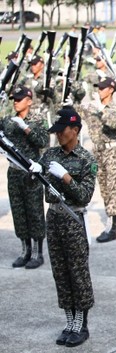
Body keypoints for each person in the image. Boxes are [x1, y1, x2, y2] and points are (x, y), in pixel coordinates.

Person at [29, 107, 97, 346]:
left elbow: (85, 195)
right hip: (54, 218)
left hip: (74, 219)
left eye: (62, 131)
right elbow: (36, 174)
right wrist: (34, 170)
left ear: (75, 130)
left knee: (77, 273)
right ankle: (69, 321)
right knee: (60, 271)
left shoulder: (86, 159)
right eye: (56, 131)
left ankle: (81, 324)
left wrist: (66, 177)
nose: (58, 135)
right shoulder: (49, 155)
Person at [3, 85, 49, 268]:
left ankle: (38, 253)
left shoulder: (37, 119)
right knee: (19, 212)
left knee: (34, 212)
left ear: (29, 101)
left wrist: (26, 128)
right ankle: (25, 250)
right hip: (14, 171)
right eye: (14, 99)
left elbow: (44, 141)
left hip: (31, 173)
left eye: (19, 99)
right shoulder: (8, 120)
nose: (15, 102)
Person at [76, 77, 116, 243]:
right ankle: (115, 221)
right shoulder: (93, 106)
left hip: (111, 151)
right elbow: (78, 111)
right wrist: (71, 98)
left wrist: (102, 109)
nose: (99, 91)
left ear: (111, 90)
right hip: (97, 152)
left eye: (102, 88)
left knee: (112, 187)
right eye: (98, 88)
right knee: (103, 187)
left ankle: (112, 226)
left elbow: (114, 123)